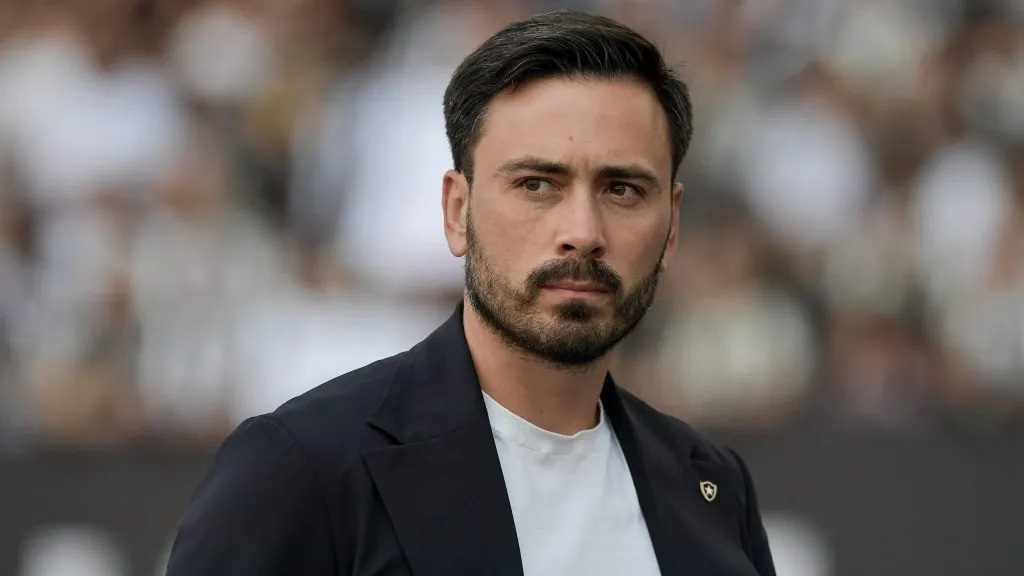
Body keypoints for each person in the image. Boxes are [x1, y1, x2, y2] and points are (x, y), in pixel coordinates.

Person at [165, 10, 776, 576]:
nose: (582, 234)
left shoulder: (714, 489)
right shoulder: (302, 469)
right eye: (537, 184)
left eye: (622, 190)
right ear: (458, 213)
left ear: (672, 225)